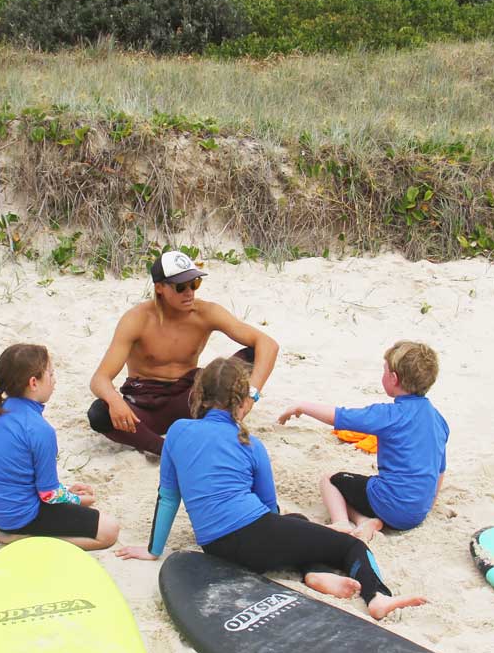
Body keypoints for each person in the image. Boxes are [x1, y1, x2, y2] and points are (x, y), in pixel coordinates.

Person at [116, 358, 426, 621]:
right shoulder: (249, 443)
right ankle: (377, 597)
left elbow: (168, 496)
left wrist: (153, 550)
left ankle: (315, 574)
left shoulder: (178, 432)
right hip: (255, 536)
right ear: (241, 401)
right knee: (350, 547)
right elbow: (268, 508)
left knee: (299, 524)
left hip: (215, 545)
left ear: (199, 395)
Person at [88, 250, 279, 456]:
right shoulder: (137, 319)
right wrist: (115, 401)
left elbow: (267, 344)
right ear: (159, 288)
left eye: (194, 283)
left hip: (191, 399)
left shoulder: (206, 313)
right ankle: (165, 450)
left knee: (250, 355)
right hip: (146, 404)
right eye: (180, 287)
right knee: (99, 413)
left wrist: (251, 395)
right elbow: (99, 379)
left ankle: (189, 436)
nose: (189, 292)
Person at [279, 340, 449, 533]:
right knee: (366, 487)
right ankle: (364, 521)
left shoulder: (390, 414)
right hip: (417, 513)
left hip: (389, 504)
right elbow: (440, 472)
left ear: (393, 378)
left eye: (384, 371)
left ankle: (341, 522)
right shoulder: (439, 420)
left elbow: (341, 416)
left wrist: (302, 407)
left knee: (331, 480)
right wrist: (425, 508)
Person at [0, 343, 119, 551]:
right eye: (51, 374)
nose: (54, 380)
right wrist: (78, 500)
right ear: (33, 383)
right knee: (109, 530)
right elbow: (49, 495)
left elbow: (20, 475)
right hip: (19, 518)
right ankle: (23, 538)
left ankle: (12, 529)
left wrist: (66, 490)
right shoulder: (39, 429)